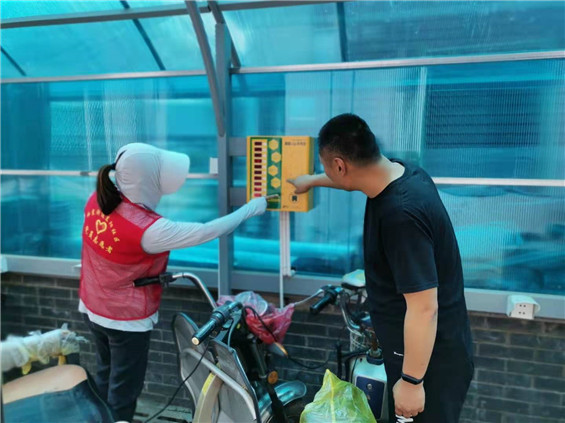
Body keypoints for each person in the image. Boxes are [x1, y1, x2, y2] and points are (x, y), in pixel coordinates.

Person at [289, 114, 474, 423]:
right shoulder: (403, 172)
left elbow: (424, 308)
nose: (328, 172)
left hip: (430, 364)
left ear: (340, 165)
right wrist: (312, 180)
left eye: (327, 167)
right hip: (425, 351)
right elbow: (351, 178)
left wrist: (412, 382)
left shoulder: (400, 216)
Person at [78, 143, 268, 422]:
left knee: (105, 377)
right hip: (125, 321)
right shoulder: (147, 229)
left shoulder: (97, 199)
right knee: (123, 392)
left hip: (92, 308)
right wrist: (250, 209)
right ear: (146, 182)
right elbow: (206, 231)